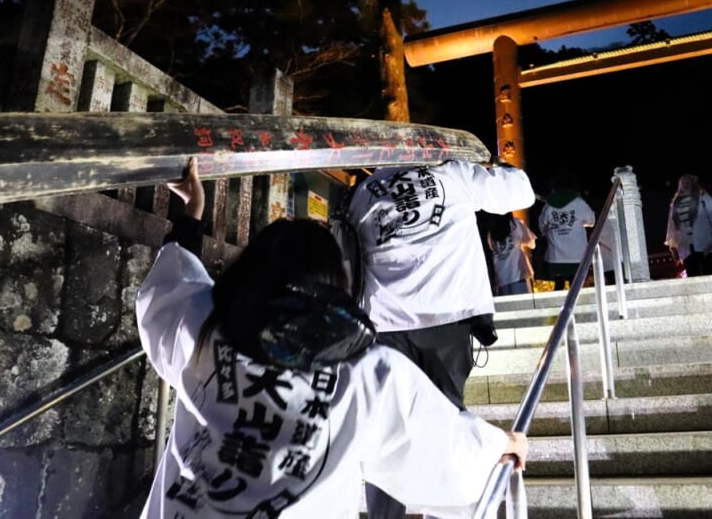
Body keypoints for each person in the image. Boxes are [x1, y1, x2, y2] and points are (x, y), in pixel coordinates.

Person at [136, 158, 528, 518]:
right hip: (445, 320)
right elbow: (440, 446)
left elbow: (170, 284)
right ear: (332, 285)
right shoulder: (365, 374)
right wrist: (499, 447)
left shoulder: (203, 326)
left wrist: (192, 210)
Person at [346, 158, 535, 519]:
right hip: (445, 319)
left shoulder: (365, 191)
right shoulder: (453, 173)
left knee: (385, 428)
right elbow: (520, 191)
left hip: (383, 323)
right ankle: (451, 511)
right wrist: (498, 166)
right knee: (447, 424)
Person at [538, 172, 596, 291]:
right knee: (576, 285)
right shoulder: (579, 202)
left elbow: (542, 227)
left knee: (558, 285)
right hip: (577, 255)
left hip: (555, 257)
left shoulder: (549, 205)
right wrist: (578, 224)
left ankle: (558, 304)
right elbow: (591, 221)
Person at [664, 173, 712, 277]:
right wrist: (673, 246)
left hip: (706, 241)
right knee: (693, 272)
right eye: (683, 182)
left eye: (688, 182)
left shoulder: (703, 197)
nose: (685, 184)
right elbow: (672, 225)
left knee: (711, 271)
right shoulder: (675, 204)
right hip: (686, 244)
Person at [485, 212, 537, 296]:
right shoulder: (515, 223)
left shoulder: (491, 230)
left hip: (501, 278)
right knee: (523, 305)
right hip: (518, 274)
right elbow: (531, 243)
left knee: (508, 307)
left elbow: (491, 248)